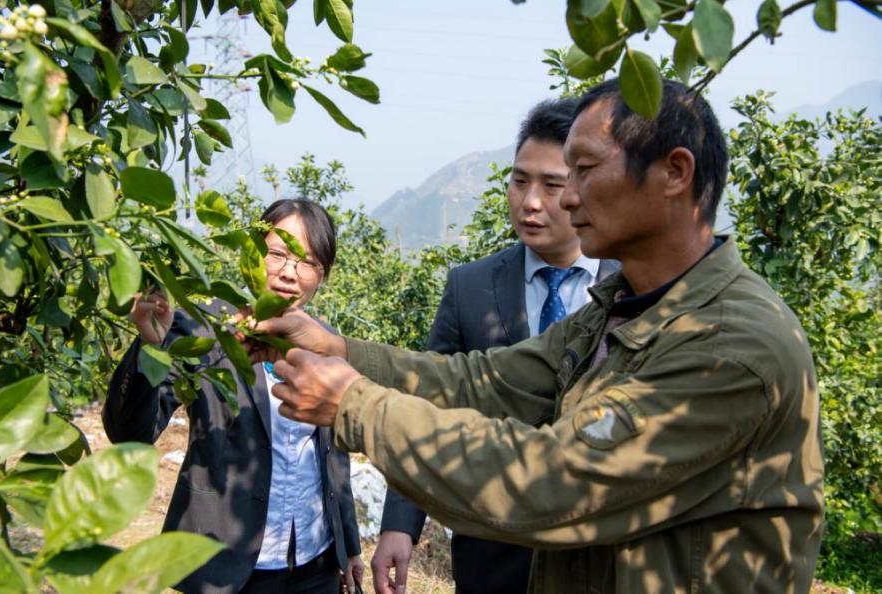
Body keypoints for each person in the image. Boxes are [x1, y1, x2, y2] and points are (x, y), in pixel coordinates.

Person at [253, 79, 824, 593]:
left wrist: (355, 404)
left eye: (583, 170)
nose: (564, 197)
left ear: (674, 173)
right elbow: (485, 380)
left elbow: (553, 481)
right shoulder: (621, 308)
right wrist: (340, 350)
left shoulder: (728, 345)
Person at [372, 97, 619, 594]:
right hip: (490, 548)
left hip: (598, 553)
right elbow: (430, 399)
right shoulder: (472, 287)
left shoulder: (630, 285)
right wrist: (400, 522)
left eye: (552, 185)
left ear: (583, 186)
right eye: (519, 180)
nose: (530, 201)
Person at [104, 198, 365, 594]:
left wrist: (348, 547)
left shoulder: (324, 342)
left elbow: (331, 456)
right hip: (224, 567)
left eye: (307, 262)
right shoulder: (205, 327)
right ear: (253, 252)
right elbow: (129, 435)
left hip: (314, 562)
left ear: (323, 275)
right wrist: (149, 349)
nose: (289, 273)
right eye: (278, 253)